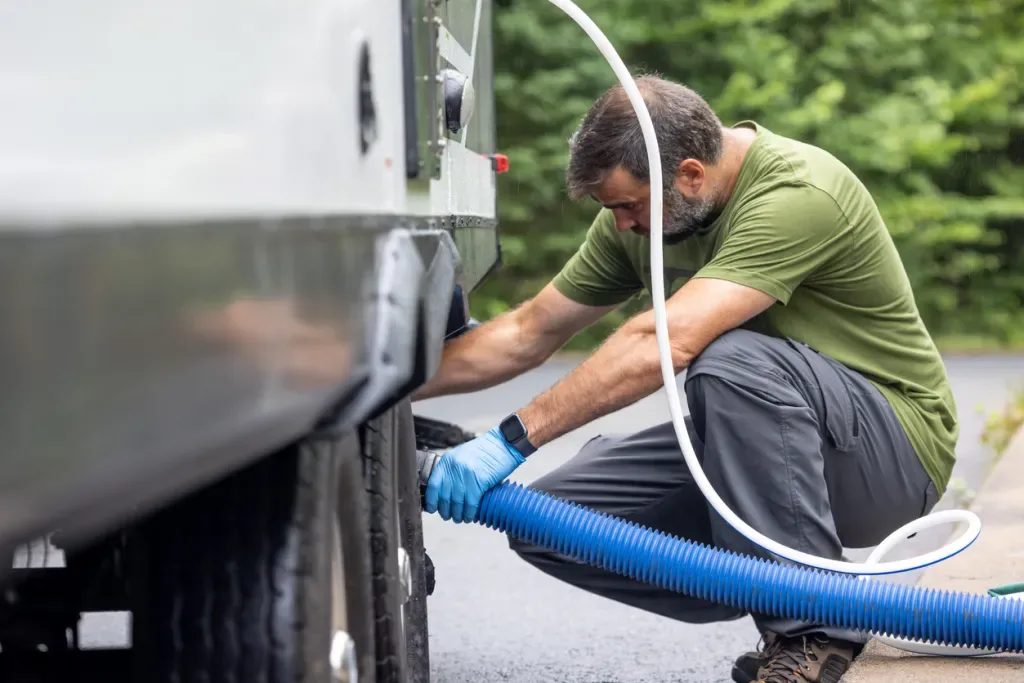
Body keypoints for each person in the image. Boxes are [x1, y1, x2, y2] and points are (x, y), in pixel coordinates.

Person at [411, 74, 957, 683]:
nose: (621, 225)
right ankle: (767, 582)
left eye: (627, 206)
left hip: (891, 454)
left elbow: (666, 342)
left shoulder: (798, 193)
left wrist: (507, 441)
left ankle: (813, 630)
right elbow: (527, 332)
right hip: (762, 450)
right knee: (555, 522)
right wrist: (376, 386)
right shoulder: (648, 215)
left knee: (728, 358)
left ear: (690, 175)